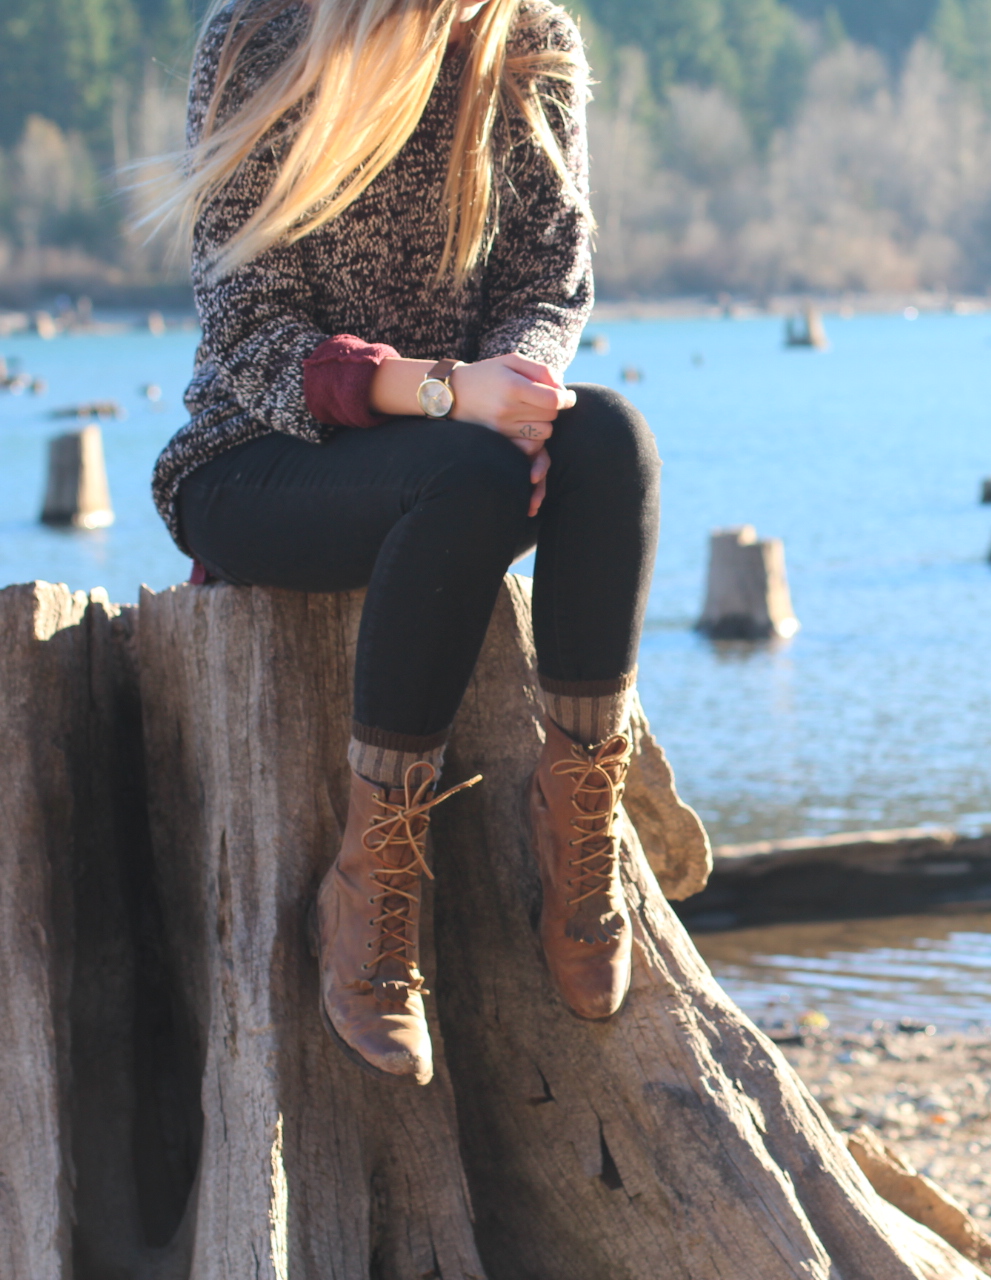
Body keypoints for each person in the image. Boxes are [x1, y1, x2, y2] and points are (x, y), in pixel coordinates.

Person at [147, 0, 657, 1086]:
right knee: (466, 474)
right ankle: (371, 885)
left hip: (460, 452)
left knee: (612, 439)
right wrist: (438, 393)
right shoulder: (260, 37)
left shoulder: (531, 42)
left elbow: (547, 282)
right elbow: (248, 334)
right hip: (256, 457)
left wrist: (517, 389)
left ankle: (580, 818)